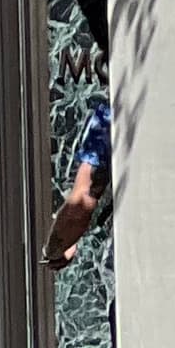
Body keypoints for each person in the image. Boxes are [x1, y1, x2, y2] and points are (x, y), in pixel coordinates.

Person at [47, 91, 110, 271]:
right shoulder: (75, 219)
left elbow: (58, 240)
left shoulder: (74, 212)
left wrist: (52, 255)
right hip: (94, 159)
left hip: (95, 159)